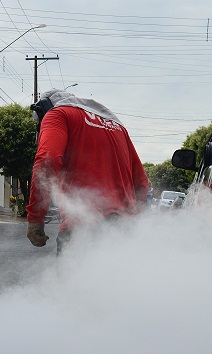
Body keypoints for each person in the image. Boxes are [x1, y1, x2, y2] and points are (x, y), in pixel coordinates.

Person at [26, 89, 150, 253]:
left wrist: (36, 217)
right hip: (123, 228)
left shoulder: (58, 114)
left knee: (73, 278)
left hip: (81, 226)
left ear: (45, 107)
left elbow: (48, 161)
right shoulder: (119, 127)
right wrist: (133, 219)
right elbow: (141, 182)